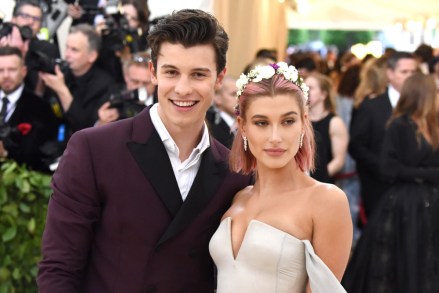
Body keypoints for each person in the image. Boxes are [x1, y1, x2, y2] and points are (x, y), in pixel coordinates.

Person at [37, 9, 250, 292]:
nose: (183, 88)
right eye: (171, 72)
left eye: (198, 74)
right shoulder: (93, 149)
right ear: (153, 72)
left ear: (219, 78)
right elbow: (59, 268)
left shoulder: (235, 172)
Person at [209, 62, 352, 292]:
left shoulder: (327, 201)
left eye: (288, 121)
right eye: (261, 123)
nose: (275, 137)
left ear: (304, 123)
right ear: (243, 127)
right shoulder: (238, 197)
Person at [342, 73, 439, 292]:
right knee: (404, 258)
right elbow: (388, 168)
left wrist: (418, 173)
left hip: (431, 201)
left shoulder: (435, 126)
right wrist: (427, 173)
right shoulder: (399, 125)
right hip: (404, 203)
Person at [349, 51, 418, 218]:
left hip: (414, 189)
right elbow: (357, 145)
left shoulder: (422, 107)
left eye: (413, 72)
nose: (410, 77)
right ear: (390, 74)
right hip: (379, 187)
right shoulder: (372, 106)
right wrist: (382, 166)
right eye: (404, 72)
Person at [40, 23, 113, 134]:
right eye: (67, 48)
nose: (67, 54)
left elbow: (85, 127)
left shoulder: (104, 85)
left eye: (74, 50)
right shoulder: (61, 73)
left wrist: (62, 91)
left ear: (92, 56)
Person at [0, 46, 57, 172]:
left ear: (24, 71)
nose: (6, 75)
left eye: (12, 70)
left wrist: (5, 153)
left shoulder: (40, 108)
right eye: (1, 70)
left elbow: (37, 155)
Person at [305, 72, 348, 183]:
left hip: (323, 183)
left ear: (323, 94)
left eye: (311, 88)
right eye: (304, 87)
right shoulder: (301, 119)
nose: (306, 91)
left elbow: (338, 161)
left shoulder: (335, 122)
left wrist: (316, 179)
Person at [96, 52, 156, 125]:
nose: (140, 87)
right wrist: (101, 123)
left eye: (146, 83)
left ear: (155, 80)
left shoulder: (162, 102)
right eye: (135, 82)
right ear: (126, 77)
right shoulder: (112, 98)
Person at [206, 75, 237, 148]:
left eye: (241, 94)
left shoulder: (242, 123)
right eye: (234, 94)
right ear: (217, 97)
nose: (240, 99)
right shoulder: (210, 126)